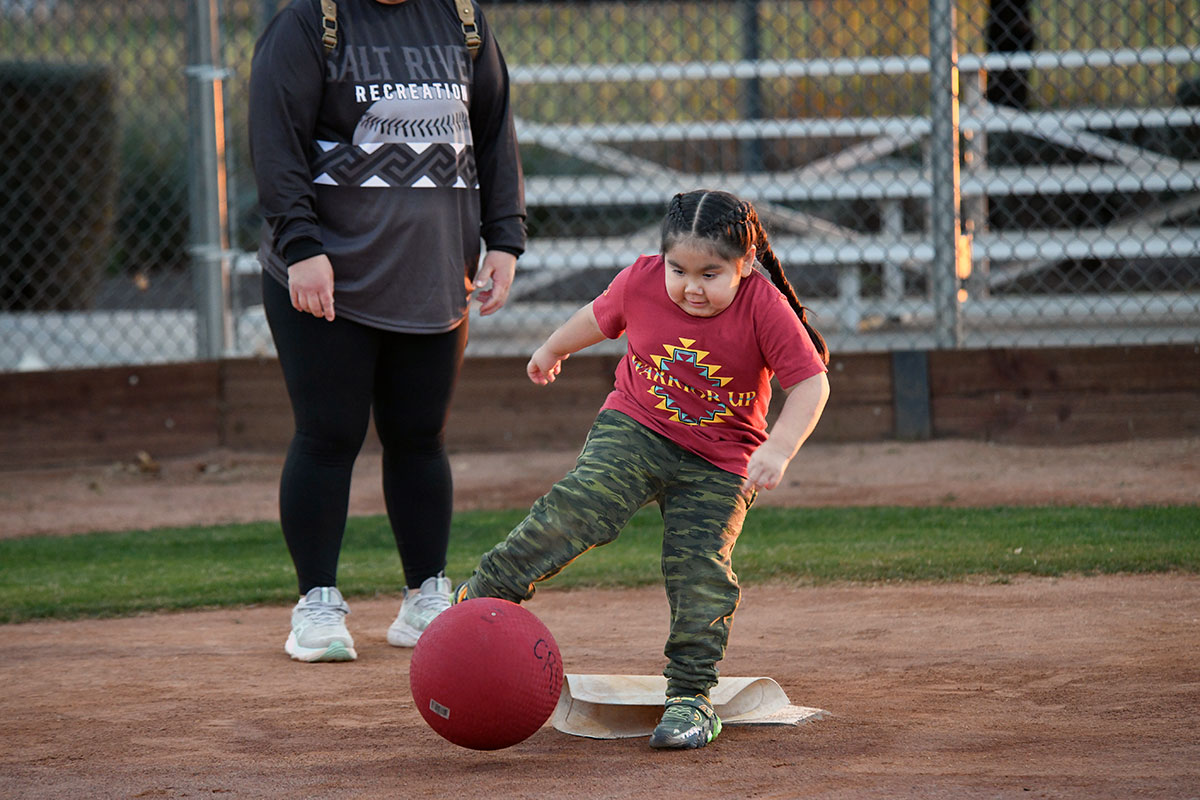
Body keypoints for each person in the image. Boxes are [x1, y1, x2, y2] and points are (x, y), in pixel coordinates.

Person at [455, 189, 830, 749]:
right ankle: (484, 593)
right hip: (636, 428)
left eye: (711, 273)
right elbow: (599, 315)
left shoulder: (763, 305)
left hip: (721, 459)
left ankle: (689, 698)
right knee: (582, 506)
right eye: (679, 269)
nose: (691, 287)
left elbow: (811, 382)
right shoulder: (642, 279)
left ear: (746, 265)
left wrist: (777, 449)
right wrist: (552, 349)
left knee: (699, 569)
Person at [248, 0, 525, 663]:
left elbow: (492, 132)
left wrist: (504, 236)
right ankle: (316, 604)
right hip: (328, 272)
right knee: (328, 432)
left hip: (432, 271)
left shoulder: (462, 17)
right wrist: (301, 245)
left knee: (419, 434)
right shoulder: (309, 22)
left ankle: (425, 595)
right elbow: (275, 140)